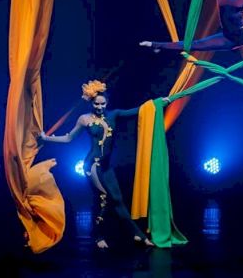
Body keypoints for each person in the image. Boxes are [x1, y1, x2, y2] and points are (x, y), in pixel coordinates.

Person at [38, 80, 155, 249]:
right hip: (92, 166)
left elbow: (139, 110)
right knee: (103, 198)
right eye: (96, 104)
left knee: (118, 200)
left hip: (106, 166)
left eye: (102, 104)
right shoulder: (84, 119)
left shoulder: (114, 115)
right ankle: (98, 236)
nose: (99, 107)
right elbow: (69, 138)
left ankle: (137, 234)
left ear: (107, 103)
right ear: (91, 103)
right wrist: (47, 138)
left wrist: (159, 103)